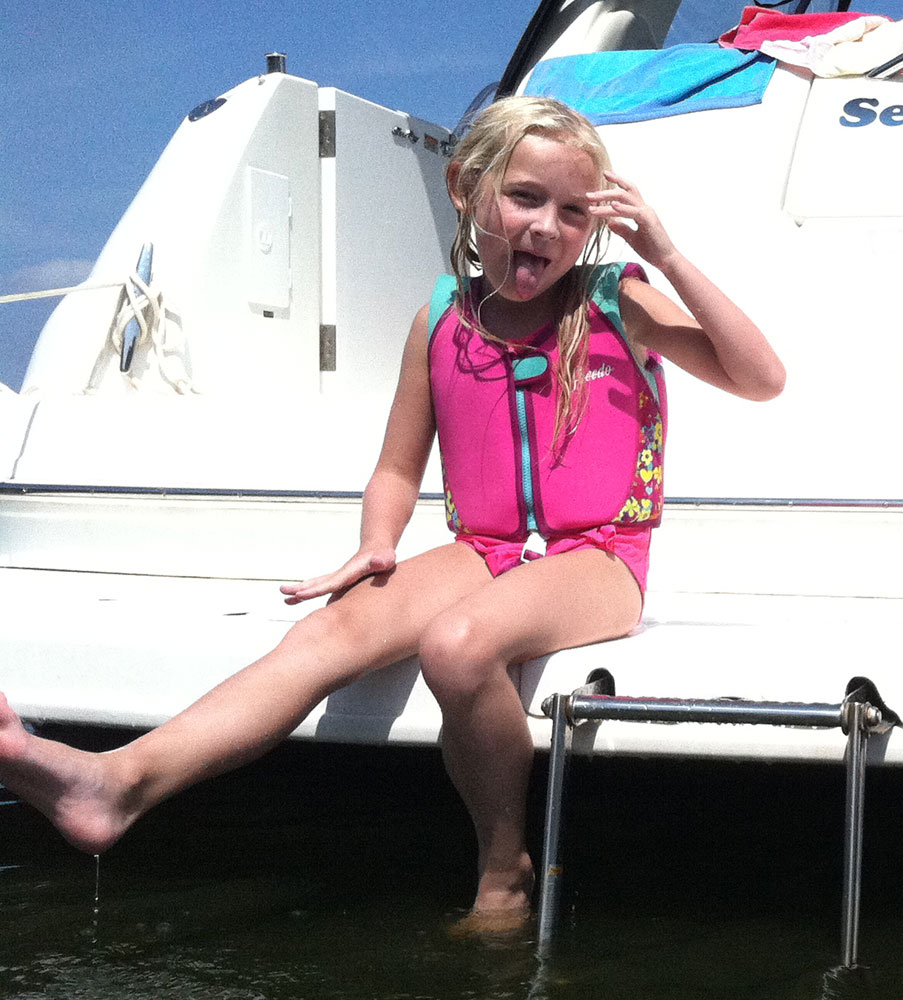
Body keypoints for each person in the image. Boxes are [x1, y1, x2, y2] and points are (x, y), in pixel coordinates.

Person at [0, 96, 784, 927]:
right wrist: (377, 546)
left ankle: (503, 865)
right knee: (331, 633)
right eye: (525, 198)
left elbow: (759, 376)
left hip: (597, 557)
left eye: (574, 211)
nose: (549, 228)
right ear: (464, 188)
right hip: (485, 548)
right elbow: (398, 469)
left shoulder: (615, 300)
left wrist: (662, 250)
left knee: (457, 645)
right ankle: (116, 785)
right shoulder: (439, 322)